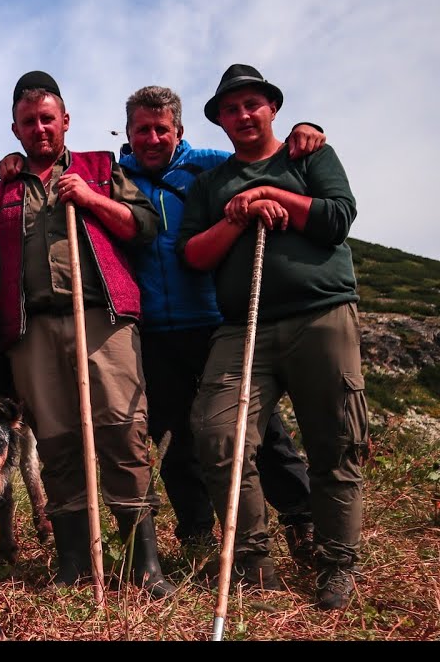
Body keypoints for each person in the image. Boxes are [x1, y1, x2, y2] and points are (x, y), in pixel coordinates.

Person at [0, 71, 173, 597]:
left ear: (65, 122)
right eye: (28, 121)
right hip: (32, 330)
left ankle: (144, 565)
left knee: (122, 432)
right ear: (14, 129)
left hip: (102, 319)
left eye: (47, 119)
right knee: (58, 444)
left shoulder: (101, 169)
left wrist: (91, 198)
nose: (39, 128)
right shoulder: (0, 193)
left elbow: (144, 225)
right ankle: (75, 562)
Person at [177, 64, 366, 610]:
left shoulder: (308, 156)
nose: (242, 115)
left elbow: (336, 217)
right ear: (220, 121)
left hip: (321, 314)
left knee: (336, 442)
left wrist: (268, 191)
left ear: (272, 108)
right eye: (231, 110)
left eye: (251, 104)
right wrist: (238, 214)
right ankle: (254, 560)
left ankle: (336, 565)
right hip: (243, 327)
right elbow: (193, 256)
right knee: (216, 435)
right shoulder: (211, 185)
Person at [115, 85, 321, 563]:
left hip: (214, 320)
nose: (151, 138)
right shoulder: (117, 176)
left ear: (179, 131)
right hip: (153, 330)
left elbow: (264, 157)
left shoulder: (210, 164)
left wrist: (305, 134)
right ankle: (197, 533)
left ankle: (300, 517)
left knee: (259, 424)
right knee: (175, 435)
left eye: (160, 129)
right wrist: (13, 164)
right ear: (128, 134)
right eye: (141, 130)